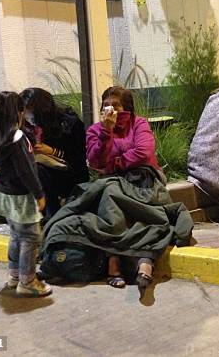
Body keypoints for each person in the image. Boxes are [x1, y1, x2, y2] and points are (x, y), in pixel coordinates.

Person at [86, 86, 160, 290]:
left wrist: (114, 164)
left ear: (126, 107)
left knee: (144, 212)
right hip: (113, 182)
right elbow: (96, 161)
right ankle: (114, 262)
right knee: (110, 200)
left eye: (115, 105)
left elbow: (143, 152)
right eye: (106, 105)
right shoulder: (95, 130)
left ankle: (145, 262)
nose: (110, 109)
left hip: (142, 178)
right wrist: (106, 132)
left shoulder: (139, 124)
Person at [0, 92, 51, 297]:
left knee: (16, 236)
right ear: (18, 112)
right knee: (30, 238)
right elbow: (26, 170)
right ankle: (28, 281)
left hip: (5, 192)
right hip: (21, 196)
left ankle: (15, 276)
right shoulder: (17, 137)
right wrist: (39, 194)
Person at [20, 88, 89, 218]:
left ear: (41, 109)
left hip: (68, 174)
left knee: (38, 171)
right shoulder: (27, 126)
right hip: (41, 170)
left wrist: (52, 151)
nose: (26, 114)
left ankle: (51, 216)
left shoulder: (68, 124)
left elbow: (79, 158)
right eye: (23, 110)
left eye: (28, 110)